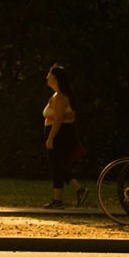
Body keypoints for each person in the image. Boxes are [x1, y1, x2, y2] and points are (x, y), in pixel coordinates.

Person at [43, 64, 87, 208]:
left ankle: (59, 200)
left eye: (49, 74)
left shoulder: (60, 97)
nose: (47, 77)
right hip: (61, 134)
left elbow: (59, 118)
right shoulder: (58, 96)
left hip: (60, 134)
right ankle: (79, 190)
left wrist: (51, 138)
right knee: (58, 165)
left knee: (56, 166)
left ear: (56, 79)